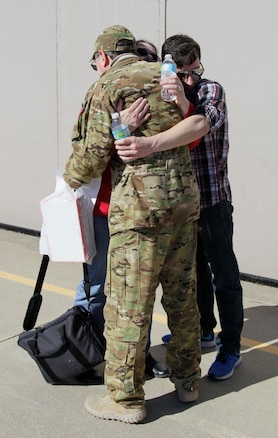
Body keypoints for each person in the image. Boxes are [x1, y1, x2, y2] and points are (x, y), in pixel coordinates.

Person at [64, 24, 201, 423]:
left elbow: (89, 158)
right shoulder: (166, 76)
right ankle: (188, 380)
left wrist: (68, 180)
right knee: (182, 296)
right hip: (182, 204)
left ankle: (124, 399)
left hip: (140, 210)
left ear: (103, 58)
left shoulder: (105, 86)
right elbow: (190, 127)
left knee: (128, 305)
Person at [116, 34, 244, 382]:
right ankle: (203, 331)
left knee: (225, 277)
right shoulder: (160, 93)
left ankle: (230, 348)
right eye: (182, 73)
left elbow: (202, 125)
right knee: (194, 275)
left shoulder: (208, 91)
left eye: (195, 71)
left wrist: (183, 97)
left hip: (213, 201)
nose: (190, 79)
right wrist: (122, 123)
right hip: (181, 206)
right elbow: (120, 138)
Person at [72, 41, 168, 384]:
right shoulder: (102, 94)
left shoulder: (160, 99)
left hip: (142, 214)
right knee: (95, 287)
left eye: (149, 60)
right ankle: (82, 354)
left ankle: (138, 356)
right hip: (104, 209)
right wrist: (120, 124)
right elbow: (85, 152)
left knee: (138, 293)